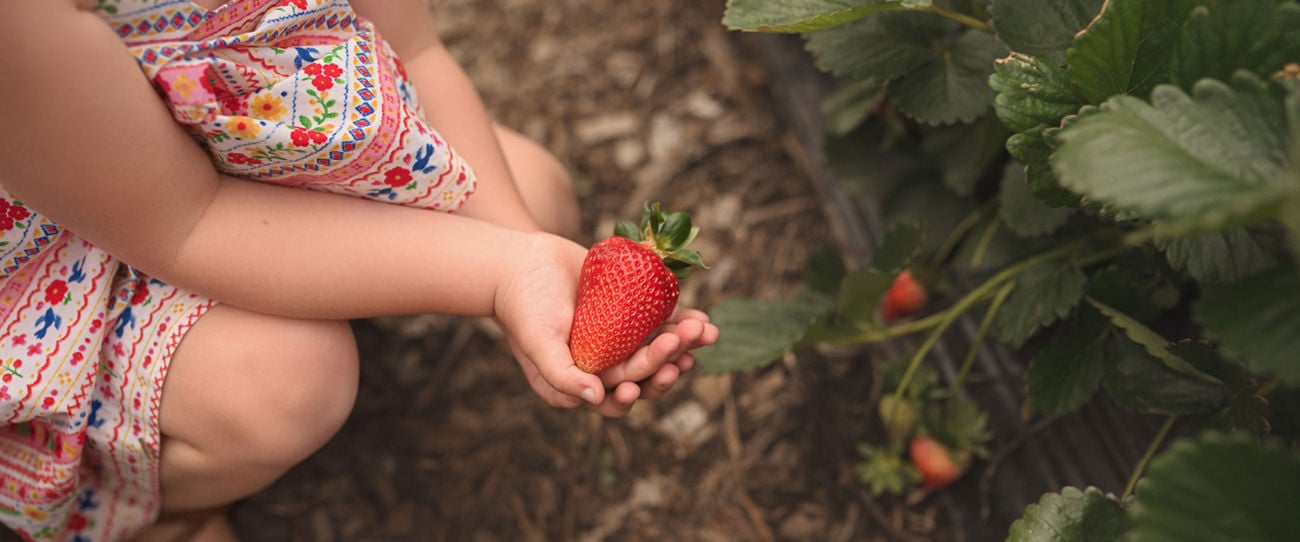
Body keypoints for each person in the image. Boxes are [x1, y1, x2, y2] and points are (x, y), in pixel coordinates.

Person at [0, 0, 720, 540]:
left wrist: (528, 259)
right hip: (76, 247)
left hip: (229, 151)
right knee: (285, 382)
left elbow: (417, 50)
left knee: (536, 195)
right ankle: (163, 516)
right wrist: (499, 275)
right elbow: (187, 219)